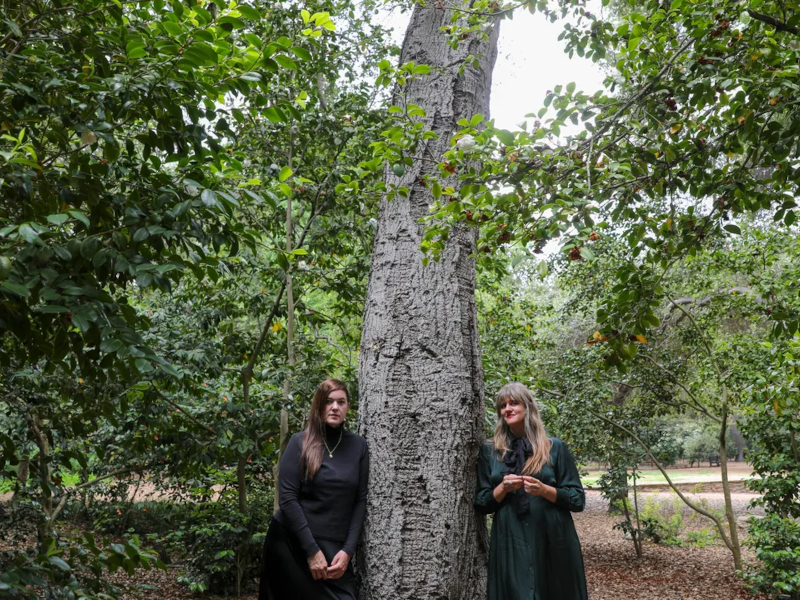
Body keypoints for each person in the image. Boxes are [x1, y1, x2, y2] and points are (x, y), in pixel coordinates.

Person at [474, 382, 588, 600]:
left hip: (552, 536)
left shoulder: (554, 448)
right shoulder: (490, 451)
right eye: (503, 405)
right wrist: (503, 488)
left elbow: (577, 500)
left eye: (514, 403)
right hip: (510, 538)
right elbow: (482, 503)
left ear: (528, 407)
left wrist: (544, 490)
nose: (507, 408)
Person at [259, 379, 368, 600]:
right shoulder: (300, 442)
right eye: (328, 401)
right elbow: (288, 499)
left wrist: (348, 551)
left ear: (348, 407)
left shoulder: (358, 446)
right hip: (292, 544)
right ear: (319, 405)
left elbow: (360, 500)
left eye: (341, 402)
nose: (335, 407)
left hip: (334, 549)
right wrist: (311, 551)